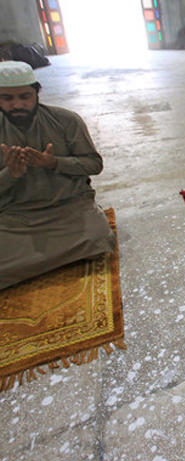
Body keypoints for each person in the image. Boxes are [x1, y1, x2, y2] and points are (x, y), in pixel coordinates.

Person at [0, 61, 115, 290]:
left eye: (24, 96)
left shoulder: (66, 120)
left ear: (37, 93)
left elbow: (94, 164)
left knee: (99, 240)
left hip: (69, 206)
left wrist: (54, 163)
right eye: (7, 99)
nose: (17, 105)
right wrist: (10, 174)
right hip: (16, 216)